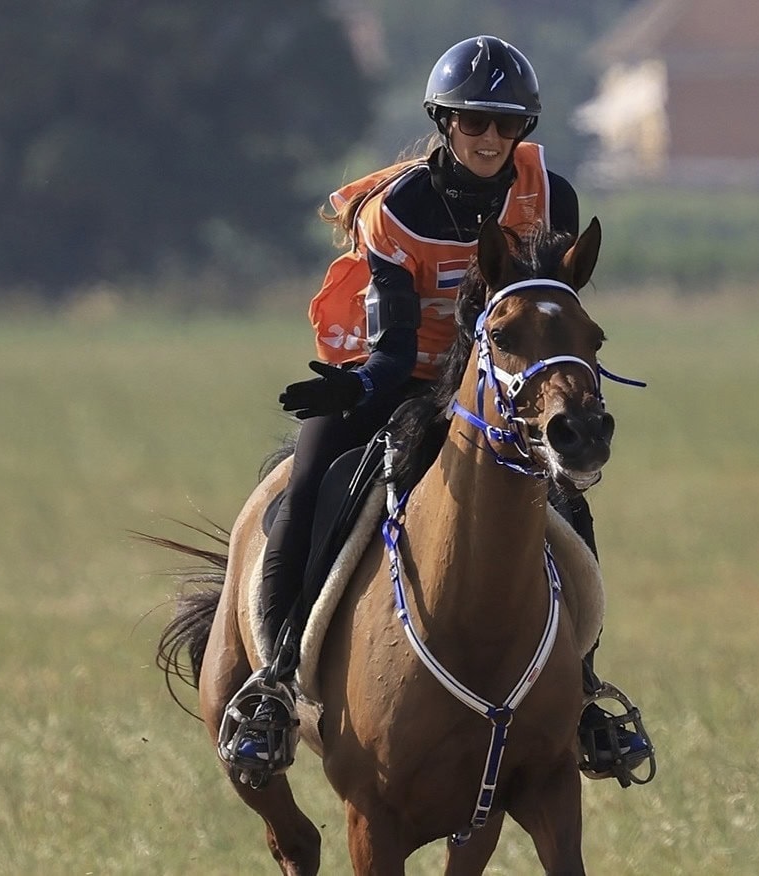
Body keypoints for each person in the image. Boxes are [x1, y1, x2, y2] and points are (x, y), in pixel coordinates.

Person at [226, 34, 653, 785]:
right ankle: (276, 685)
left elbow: (552, 312)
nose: (491, 138)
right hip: (395, 375)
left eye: (506, 123)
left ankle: (581, 696)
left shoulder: (552, 193)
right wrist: (349, 390)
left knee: (571, 507)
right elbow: (391, 350)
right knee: (305, 489)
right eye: (473, 121)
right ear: (443, 122)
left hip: (504, 387)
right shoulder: (395, 210)